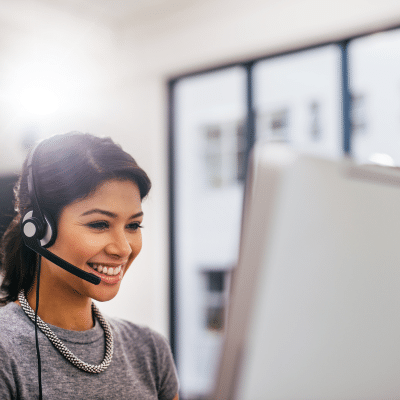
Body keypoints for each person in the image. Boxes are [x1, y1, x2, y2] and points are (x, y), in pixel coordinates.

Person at [0, 132, 179, 400]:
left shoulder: (150, 349)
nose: (123, 248)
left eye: (133, 225)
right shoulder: (5, 347)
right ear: (40, 230)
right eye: (99, 224)